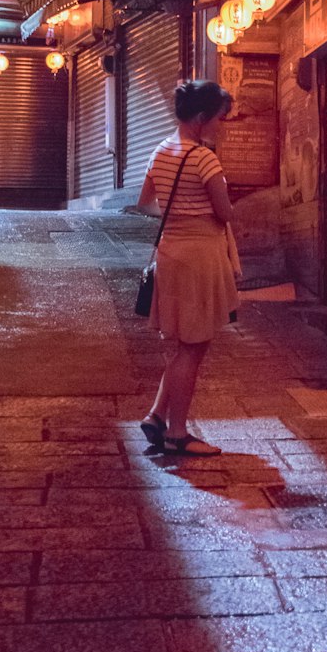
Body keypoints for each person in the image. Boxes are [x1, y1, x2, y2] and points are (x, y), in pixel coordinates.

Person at [136, 80, 239, 455]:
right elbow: (225, 213)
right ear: (200, 119)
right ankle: (177, 434)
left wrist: (177, 212)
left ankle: (156, 416)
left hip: (170, 253)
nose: (221, 125)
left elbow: (146, 201)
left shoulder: (160, 151)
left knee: (184, 344)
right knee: (192, 346)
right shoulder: (204, 158)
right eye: (218, 118)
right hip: (199, 257)